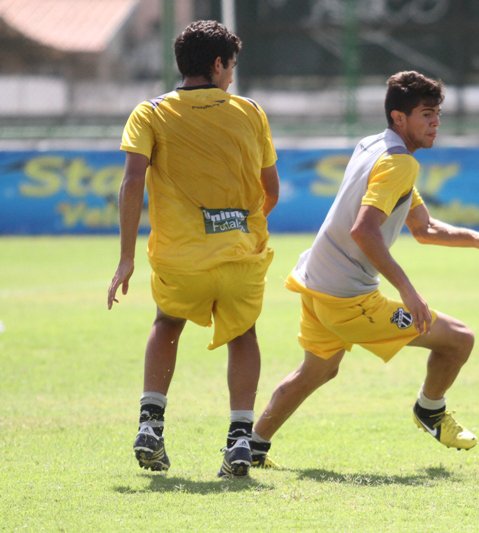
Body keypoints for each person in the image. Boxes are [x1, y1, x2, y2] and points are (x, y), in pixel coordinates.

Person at [249, 71, 479, 468]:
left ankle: (251, 447)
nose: (436, 122)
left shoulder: (372, 145)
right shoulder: (400, 164)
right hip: (346, 296)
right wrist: (409, 291)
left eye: (438, 113)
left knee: (317, 371)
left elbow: (424, 228)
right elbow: (364, 230)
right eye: (426, 114)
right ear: (399, 117)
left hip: (316, 280)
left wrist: (477, 238)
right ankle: (430, 410)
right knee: (459, 339)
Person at [107, 20, 280, 479]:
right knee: (244, 335)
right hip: (239, 254)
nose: (232, 75)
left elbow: (131, 183)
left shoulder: (150, 112)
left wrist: (125, 258)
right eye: (231, 66)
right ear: (218, 63)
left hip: (180, 258)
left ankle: (151, 425)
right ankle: (241, 438)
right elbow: (271, 190)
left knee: (167, 323)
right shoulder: (250, 112)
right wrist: (237, 224)